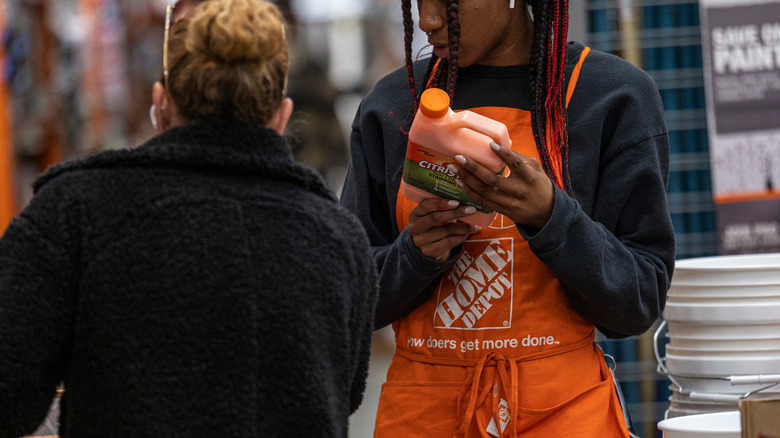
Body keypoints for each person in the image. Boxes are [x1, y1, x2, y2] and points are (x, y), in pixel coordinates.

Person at [0, 0, 377, 436]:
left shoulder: (72, 211)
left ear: (160, 105)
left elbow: (10, 397)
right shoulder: (340, 239)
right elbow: (340, 397)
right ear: (281, 116)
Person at [340, 0, 675, 437]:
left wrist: (551, 218)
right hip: (426, 417)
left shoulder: (608, 97)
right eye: (418, 1)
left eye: (449, 2)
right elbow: (347, 298)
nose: (428, 20)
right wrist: (415, 253)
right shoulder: (392, 106)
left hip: (563, 416)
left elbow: (637, 303)